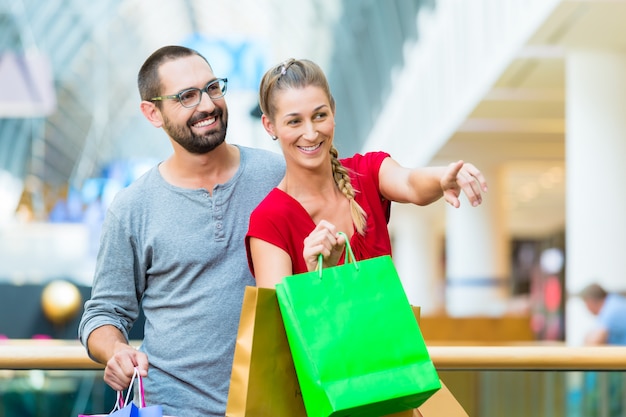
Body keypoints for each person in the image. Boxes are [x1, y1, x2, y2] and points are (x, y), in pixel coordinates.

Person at [78, 45, 285, 417]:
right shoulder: (132, 206)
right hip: (170, 407)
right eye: (187, 96)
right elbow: (104, 313)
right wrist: (117, 350)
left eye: (213, 88)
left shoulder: (278, 176)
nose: (207, 105)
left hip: (273, 405)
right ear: (152, 113)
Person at [245, 58, 488, 287]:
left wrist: (443, 177)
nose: (310, 133)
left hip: (392, 333)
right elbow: (278, 325)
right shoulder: (269, 221)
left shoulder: (368, 172)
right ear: (270, 126)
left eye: (319, 115)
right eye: (294, 122)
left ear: (333, 111)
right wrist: (316, 275)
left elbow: (410, 183)